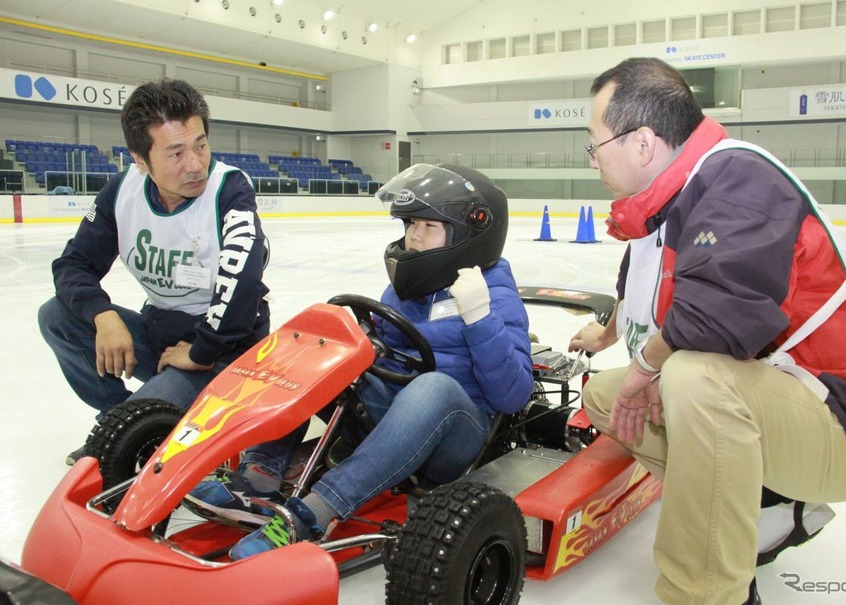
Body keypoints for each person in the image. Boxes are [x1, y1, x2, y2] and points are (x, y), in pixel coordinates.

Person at [568, 57, 846, 605]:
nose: (591, 161)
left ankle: (706, 593)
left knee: (696, 378)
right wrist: (609, 339)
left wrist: (646, 366)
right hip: (785, 398)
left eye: (594, 143)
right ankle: (766, 505)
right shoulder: (668, 202)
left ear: (642, 143)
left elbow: (714, 319)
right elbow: (653, 295)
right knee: (608, 397)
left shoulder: (739, 179)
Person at [184, 163, 534, 560]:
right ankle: (259, 473)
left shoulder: (496, 298)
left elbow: (512, 396)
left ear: (471, 234)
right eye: (410, 225)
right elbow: (384, 345)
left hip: (459, 436)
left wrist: (479, 318)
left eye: (428, 226)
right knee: (325, 352)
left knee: (434, 387)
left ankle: (315, 512)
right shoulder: (409, 287)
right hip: (398, 412)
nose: (413, 237)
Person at [38, 79, 271, 465]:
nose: (195, 164)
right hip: (161, 334)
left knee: (128, 438)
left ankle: (133, 426)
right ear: (141, 160)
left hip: (223, 348)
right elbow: (73, 264)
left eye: (200, 145)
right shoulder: (121, 191)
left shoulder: (229, 189)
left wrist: (202, 351)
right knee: (56, 315)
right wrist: (102, 314)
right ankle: (121, 420)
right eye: (175, 153)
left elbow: (243, 283)